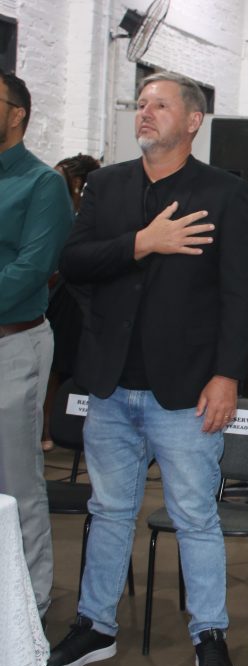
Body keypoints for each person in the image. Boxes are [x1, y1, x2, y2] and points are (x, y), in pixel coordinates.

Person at [45, 72, 248, 666]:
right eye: (141, 104)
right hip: (110, 386)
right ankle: (95, 625)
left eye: (160, 105)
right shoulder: (107, 185)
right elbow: (74, 264)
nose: (145, 112)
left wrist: (226, 375)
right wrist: (142, 243)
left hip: (188, 392)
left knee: (195, 515)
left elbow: (242, 293)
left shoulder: (224, 193)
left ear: (193, 121)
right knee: (109, 510)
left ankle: (209, 634)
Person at [0, 69, 73, 622]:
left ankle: (28, 609)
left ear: (17, 112)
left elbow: (31, 269)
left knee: (16, 482)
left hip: (13, 345)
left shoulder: (42, 184)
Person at [41, 154, 101, 451]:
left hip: (71, 297)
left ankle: (50, 429)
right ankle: (46, 428)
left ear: (77, 182)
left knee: (59, 364)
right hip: (60, 293)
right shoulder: (59, 207)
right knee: (52, 366)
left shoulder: (85, 214)